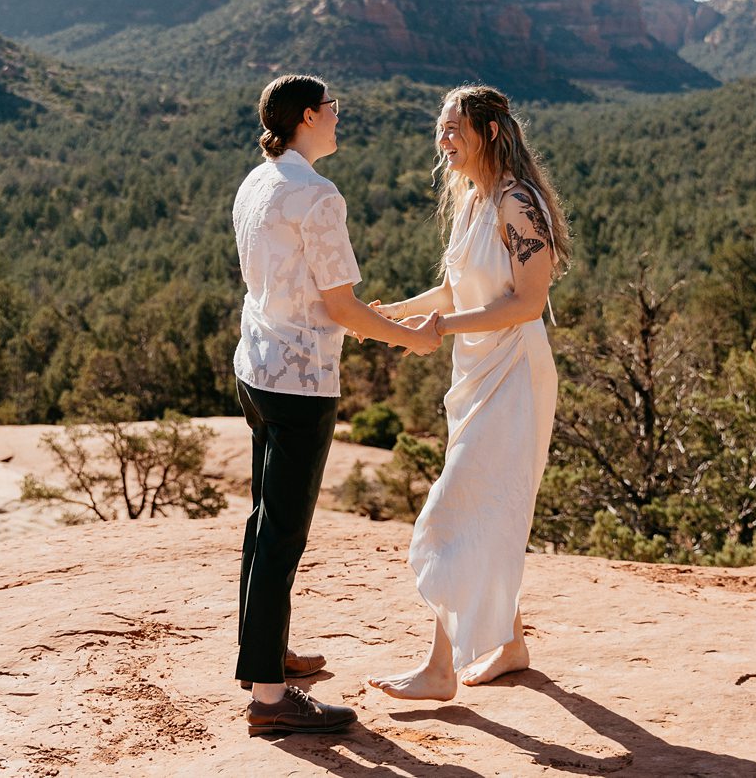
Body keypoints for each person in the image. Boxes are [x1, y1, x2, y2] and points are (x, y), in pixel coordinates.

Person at [233, 74, 441, 736]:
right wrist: (412, 336)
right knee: (283, 532)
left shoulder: (257, 181)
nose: (338, 118)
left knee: (264, 518)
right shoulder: (317, 195)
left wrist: (364, 320)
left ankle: (265, 654)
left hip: (256, 367)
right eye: (333, 109)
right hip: (299, 381)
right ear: (305, 116)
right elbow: (341, 305)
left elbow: (298, 289)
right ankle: (270, 697)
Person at [366, 84, 571, 701]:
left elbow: (527, 302)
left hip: (514, 372)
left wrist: (440, 329)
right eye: (440, 127)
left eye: (454, 127)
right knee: (492, 504)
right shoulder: (475, 202)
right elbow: (456, 292)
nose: (443, 138)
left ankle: (439, 669)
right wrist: (397, 316)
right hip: (475, 372)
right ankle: (508, 644)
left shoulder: (517, 203)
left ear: (486, 131)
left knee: (456, 511)